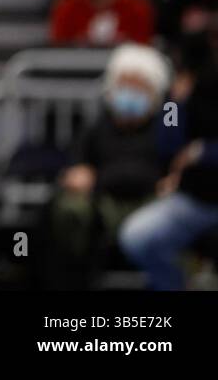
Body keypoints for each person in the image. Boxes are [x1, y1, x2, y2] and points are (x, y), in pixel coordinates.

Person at [42, 44, 168, 288]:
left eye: (138, 87)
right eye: (124, 85)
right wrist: (77, 175)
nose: (130, 93)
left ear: (154, 93)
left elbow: (161, 172)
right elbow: (75, 167)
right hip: (102, 205)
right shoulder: (97, 127)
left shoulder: (167, 129)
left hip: (150, 203)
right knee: (68, 208)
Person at [119, 34, 218, 289]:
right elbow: (167, 146)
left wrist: (202, 152)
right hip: (194, 200)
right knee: (136, 236)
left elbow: (195, 152)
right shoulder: (182, 99)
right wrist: (176, 104)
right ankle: (177, 283)